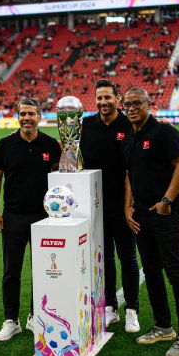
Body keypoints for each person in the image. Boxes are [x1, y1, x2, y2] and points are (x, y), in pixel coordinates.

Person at [122, 87, 179, 356]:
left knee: (175, 271)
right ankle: (164, 326)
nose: (131, 108)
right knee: (151, 271)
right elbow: (129, 174)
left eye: (136, 103)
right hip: (141, 215)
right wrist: (128, 206)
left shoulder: (164, 131)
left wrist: (166, 201)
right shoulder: (129, 138)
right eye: (126, 104)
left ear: (148, 104)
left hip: (168, 214)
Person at [0, 98, 61, 341]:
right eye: (23, 114)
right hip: (13, 217)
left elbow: (60, 177)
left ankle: (34, 316)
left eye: (31, 113)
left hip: (44, 218)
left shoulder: (51, 145)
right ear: (18, 117)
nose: (27, 117)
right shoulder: (5, 144)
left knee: (41, 272)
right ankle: (11, 320)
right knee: (11, 271)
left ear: (39, 116)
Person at [80, 79, 140, 332]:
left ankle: (132, 310)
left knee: (127, 257)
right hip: (95, 205)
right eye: (99, 97)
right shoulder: (86, 125)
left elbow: (132, 167)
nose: (103, 102)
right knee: (103, 259)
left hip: (123, 205)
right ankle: (110, 308)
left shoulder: (128, 124)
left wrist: (130, 205)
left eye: (108, 97)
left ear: (117, 98)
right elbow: (70, 151)